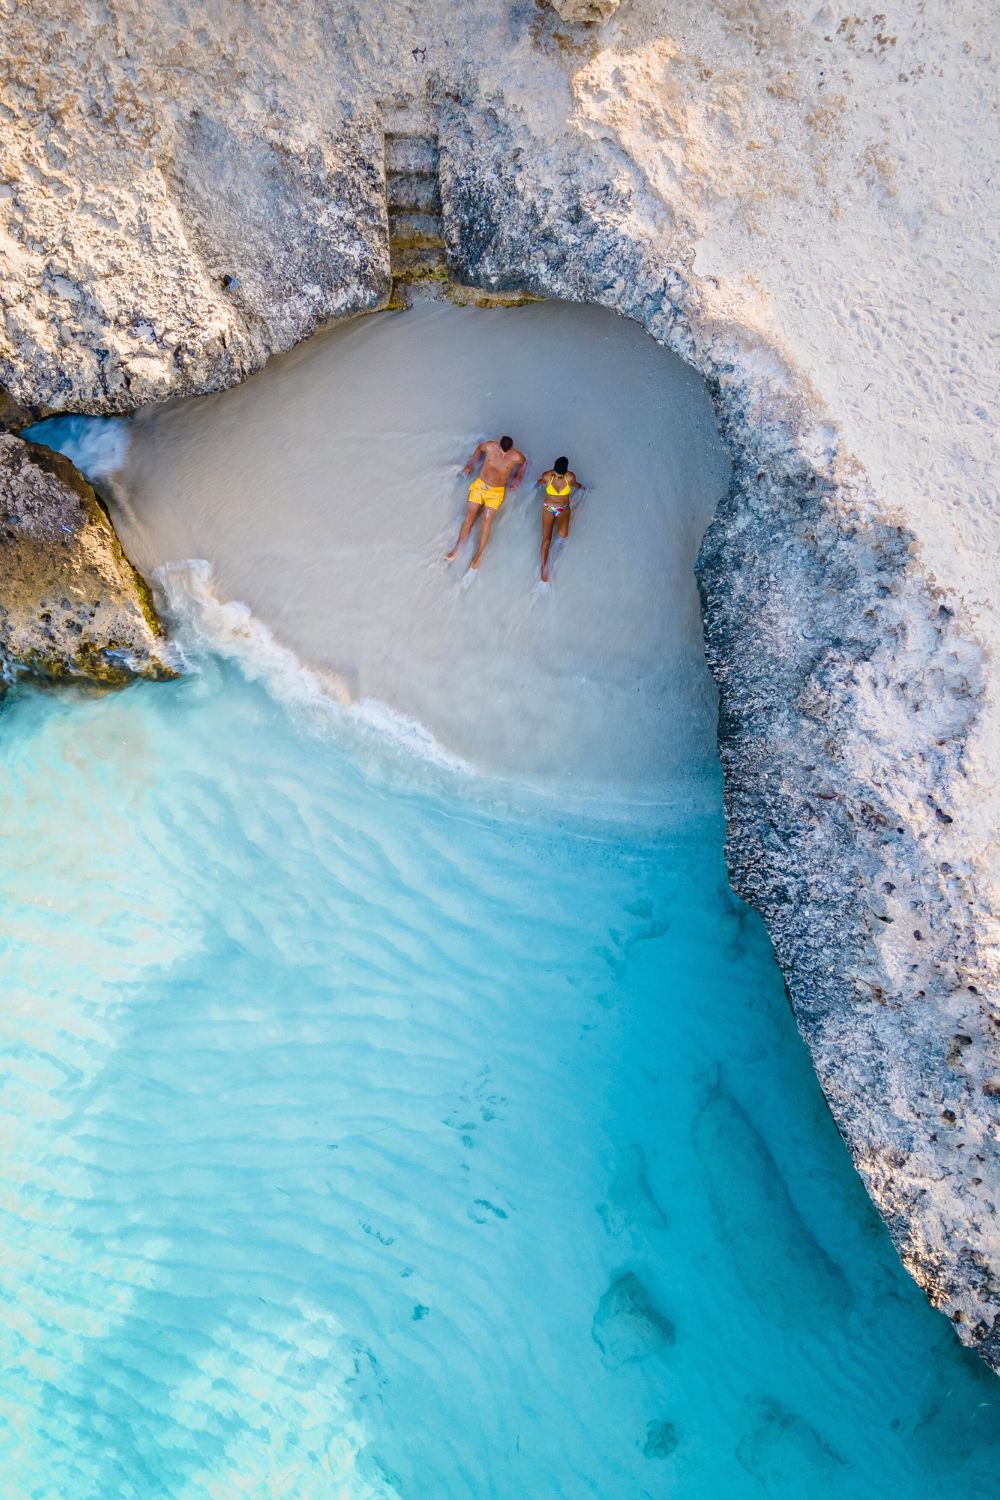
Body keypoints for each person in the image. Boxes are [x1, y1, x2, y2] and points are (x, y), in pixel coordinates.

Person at [445, 434, 527, 571]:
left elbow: (524, 463)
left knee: (486, 521)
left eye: (506, 453)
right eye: (501, 451)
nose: (503, 455)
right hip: (480, 486)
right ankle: (456, 549)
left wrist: (518, 477)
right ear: (499, 445)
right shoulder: (490, 446)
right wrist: (471, 464)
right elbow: (479, 448)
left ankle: (478, 554)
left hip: (496, 492)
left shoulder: (516, 456)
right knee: (469, 517)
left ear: (511, 449)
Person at [535, 456, 584, 583]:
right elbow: (540, 482)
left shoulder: (569, 477)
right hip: (549, 508)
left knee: (563, 535)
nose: (558, 477)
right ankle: (544, 568)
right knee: (546, 540)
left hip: (562, 509)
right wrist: (534, 486)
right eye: (556, 475)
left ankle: (552, 558)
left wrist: (583, 489)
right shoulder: (549, 476)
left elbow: (576, 485)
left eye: (560, 476)